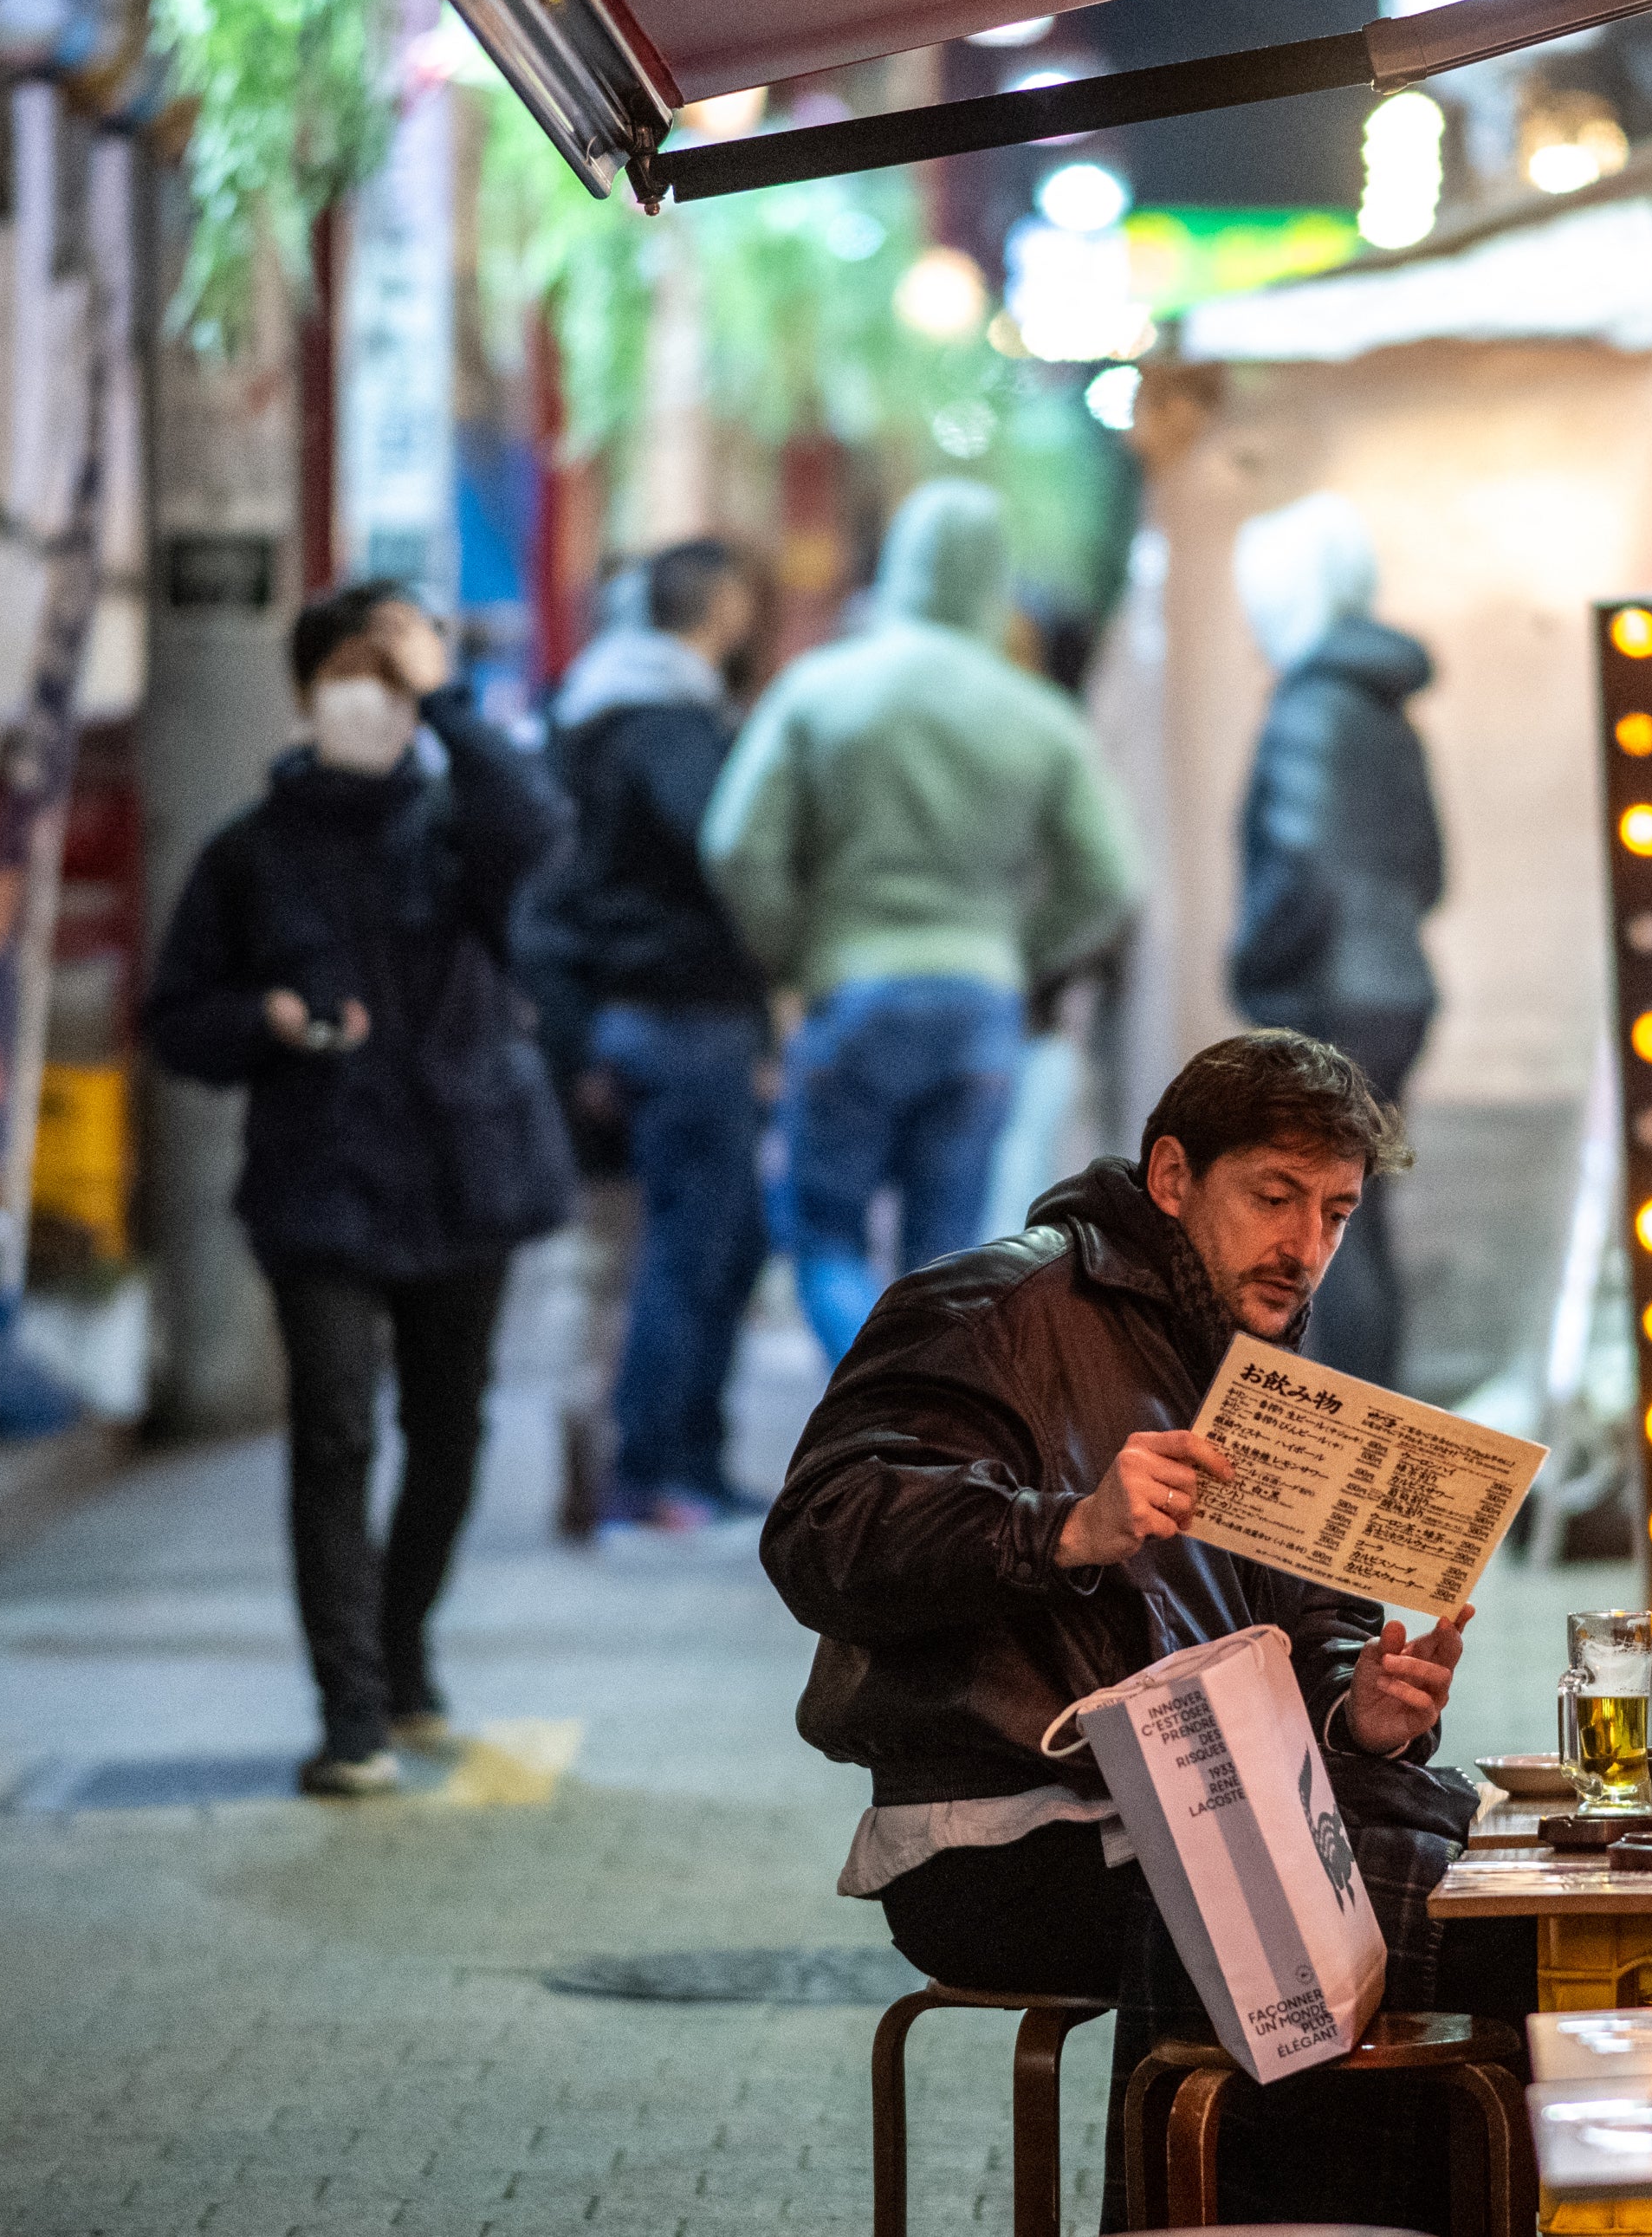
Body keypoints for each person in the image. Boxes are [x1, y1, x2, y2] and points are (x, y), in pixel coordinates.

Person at [761, 1028, 1525, 2228]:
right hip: (1009, 1832)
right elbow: (819, 1534)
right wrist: (1062, 1527)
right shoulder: (995, 1304)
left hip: (1210, 1800)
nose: (1304, 1249)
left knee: (1497, 1897)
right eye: (1273, 1199)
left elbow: (1315, 1617)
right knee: (1410, 1910)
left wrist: (1358, 1707)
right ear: (1172, 1179)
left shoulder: (1256, 1350)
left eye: (1333, 1213)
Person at [146, 581, 576, 1796]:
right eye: (349, 674)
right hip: (320, 1183)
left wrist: (443, 693)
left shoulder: (459, 829)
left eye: (390, 679)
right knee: (333, 1435)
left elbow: (537, 823)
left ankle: (398, 1646)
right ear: (302, 691)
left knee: (447, 1438)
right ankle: (348, 1710)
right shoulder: (246, 853)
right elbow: (177, 1020)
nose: (368, 700)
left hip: (466, 1178)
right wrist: (261, 1019)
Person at [703, 479, 1141, 1360]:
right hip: (981, 1002)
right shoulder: (1040, 716)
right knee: (947, 1259)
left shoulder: (820, 691)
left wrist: (797, 949)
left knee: (823, 1235)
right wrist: (1016, 953)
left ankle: (876, 1412)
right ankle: (922, 1434)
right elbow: (1111, 881)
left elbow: (735, 844)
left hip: (852, 988)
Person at [543, 538, 772, 1530]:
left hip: (613, 1018)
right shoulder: (672, 729)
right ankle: (661, 1466)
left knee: (654, 1247)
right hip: (685, 1018)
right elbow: (725, 847)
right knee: (697, 1247)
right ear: (720, 609)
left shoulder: (577, 714)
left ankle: (641, 1456)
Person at [1224, 492, 1443, 1387]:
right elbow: (1432, 872)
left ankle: (1341, 1455)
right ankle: (1374, 1439)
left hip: (1328, 995)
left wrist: (1251, 966)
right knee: (1358, 1222)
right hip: (1396, 990)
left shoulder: (1308, 705)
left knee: (1317, 1235)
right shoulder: (1386, 711)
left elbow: (1301, 868)